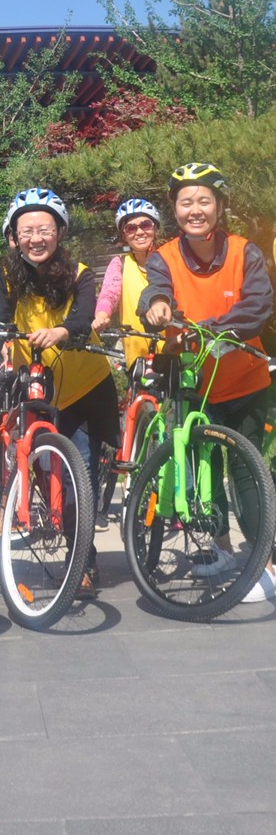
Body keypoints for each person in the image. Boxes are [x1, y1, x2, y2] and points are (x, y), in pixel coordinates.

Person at [138, 162, 276, 603]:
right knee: (204, 470)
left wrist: (209, 330)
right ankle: (221, 549)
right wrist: (157, 305)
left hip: (245, 381)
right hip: (194, 384)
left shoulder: (244, 252)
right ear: (175, 209)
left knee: (247, 471)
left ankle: (263, 561)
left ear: (219, 206)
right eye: (186, 202)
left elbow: (257, 306)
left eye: (204, 201)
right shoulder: (163, 257)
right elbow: (154, 290)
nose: (194, 210)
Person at [0, 188, 115, 596]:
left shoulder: (80, 272)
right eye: (27, 231)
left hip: (84, 387)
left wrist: (61, 331)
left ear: (60, 233)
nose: (36, 238)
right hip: (37, 386)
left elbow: (84, 317)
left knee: (77, 476)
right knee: (39, 470)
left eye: (45, 229)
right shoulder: (7, 274)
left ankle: (83, 563)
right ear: (13, 236)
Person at [92, 198, 163, 366]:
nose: (139, 232)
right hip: (137, 355)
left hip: (173, 348)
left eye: (146, 225)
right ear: (124, 235)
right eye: (131, 228)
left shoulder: (169, 259)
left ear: (155, 228)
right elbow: (109, 293)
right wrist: (102, 315)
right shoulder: (120, 263)